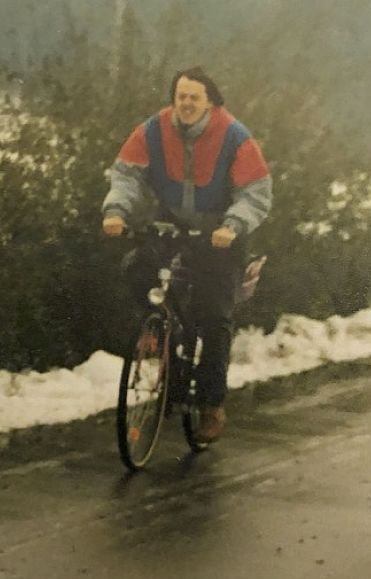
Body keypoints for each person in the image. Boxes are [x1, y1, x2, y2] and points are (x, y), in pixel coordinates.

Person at [101, 66, 272, 444]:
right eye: (181, 96)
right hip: (173, 221)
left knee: (214, 318)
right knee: (138, 269)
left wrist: (232, 225)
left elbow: (255, 191)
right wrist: (116, 211)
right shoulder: (153, 130)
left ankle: (212, 405)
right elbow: (126, 173)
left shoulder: (234, 135)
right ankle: (162, 337)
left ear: (210, 101)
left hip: (221, 232)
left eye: (195, 97)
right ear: (173, 99)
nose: (187, 103)